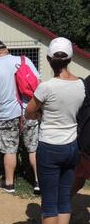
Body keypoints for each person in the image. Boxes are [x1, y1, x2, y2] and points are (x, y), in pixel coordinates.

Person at [26, 37, 85, 224]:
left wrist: (40, 115)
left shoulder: (46, 87)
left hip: (50, 146)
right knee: (64, 199)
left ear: (49, 59)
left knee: (49, 203)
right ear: (70, 59)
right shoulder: (81, 84)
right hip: (72, 146)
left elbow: (28, 112)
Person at [0, 40, 40, 193]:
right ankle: (38, 182)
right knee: (33, 147)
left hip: (7, 114)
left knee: (10, 149)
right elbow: (38, 84)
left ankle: (9, 184)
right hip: (29, 111)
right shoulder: (24, 60)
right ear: (6, 50)